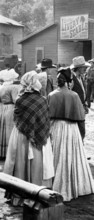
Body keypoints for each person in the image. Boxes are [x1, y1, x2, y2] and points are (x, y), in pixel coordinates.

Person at [3, 71, 54, 206]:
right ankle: (33, 193)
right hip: (36, 137)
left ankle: (20, 195)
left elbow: (19, 118)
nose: (39, 82)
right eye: (36, 80)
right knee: (34, 163)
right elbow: (44, 120)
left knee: (20, 163)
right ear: (32, 82)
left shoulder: (20, 99)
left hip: (21, 135)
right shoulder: (41, 99)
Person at [48, 67, 94, 202]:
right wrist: (81, 136)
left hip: (55, 128)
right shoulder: (74, 95)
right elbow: (81, 119)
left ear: (58, 81)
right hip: (71, 129)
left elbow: (47, 116)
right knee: (71, 156)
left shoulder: (51, 95)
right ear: (69, 82)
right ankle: (74, 186)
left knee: (56, 156)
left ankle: (53, 183)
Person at [0, 71, 22, 159]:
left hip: (2, 109)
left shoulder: (3, 87)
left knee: (3, 130)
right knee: (10, 131)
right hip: (10, 109)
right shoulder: (14, 87)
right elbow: (16, 100)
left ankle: (2, 152)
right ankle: (9, 152)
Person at [70, 56, 90, 140]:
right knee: (79, 130)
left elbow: (82, 92)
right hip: (75, 108)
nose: (85, 69)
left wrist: (84, 103)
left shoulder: (81, 77)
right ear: (78, 68)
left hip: (81, 106)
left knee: (82, 130)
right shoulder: (71, 79)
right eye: (83, 67)